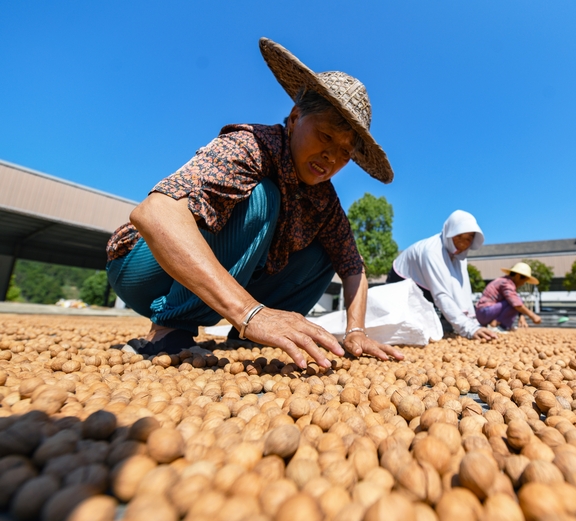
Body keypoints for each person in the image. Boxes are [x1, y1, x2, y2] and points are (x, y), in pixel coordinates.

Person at [105, 38, 403, 367]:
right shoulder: (251, 146)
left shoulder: (325, 200)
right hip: (141, 268)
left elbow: (353, 267)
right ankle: (169, 330)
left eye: (344, 153)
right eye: (325, 136)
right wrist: (251, 313)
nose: (330, 158)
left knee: (325, 252)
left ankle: (244, 339)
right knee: (263, 198)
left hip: (219, 289)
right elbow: (154, 214)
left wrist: (356, 331)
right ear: (294, 118)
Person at [386, 210, 497, 341]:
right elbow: (441, 294)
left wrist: (473, 323)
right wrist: (469, 329)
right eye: (459, 236)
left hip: (426, 288)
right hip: (402, 283)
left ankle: (447, 325)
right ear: (449, 233)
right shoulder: (432, 251)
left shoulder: (459, 258)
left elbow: (463, 290)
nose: (463, 243)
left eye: (468, 238)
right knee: (404, 327)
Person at [475, 262, 542, 331]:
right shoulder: (507, 283)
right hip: (485, 312)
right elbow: (516, 303)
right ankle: (496, 325)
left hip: (483, 313)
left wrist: (521, 315)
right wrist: (533, 316)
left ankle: (498, 324)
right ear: (518, 276)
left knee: (516, 299)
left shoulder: (503, 280)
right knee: (517, 299)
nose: (522, 284)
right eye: (523, 281)